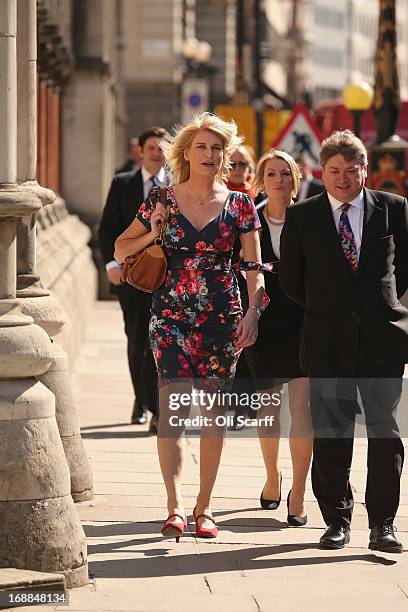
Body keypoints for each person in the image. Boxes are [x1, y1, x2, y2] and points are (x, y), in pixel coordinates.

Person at [114, 112, 266, 541]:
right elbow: (121, 246)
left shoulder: (239, 205)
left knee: (215, 415)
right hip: (171, 318)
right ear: (185, 153)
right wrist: (154, 232)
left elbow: (254, 268)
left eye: (217, 148)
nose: (210, 154)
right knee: (174, 412)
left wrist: (253, 311)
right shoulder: (161, 199)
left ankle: (205, 507)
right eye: (201, 146)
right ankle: (175, 505)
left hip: (222, 318)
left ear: (226, 155)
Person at [280, 130, 408, 551]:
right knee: (333, 433)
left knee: (385, 432)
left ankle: (383, 524)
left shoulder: (394, 209)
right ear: (323, 170)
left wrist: (377, 306)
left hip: (382, 342)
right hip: (326, 342)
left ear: (364, 171)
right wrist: (328, 308)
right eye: (333, 171)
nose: (341, 179)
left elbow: (404, 270)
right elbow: (292, 281)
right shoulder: (303, 217)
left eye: (350, 172)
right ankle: (337, 519)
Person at [244, 149, 313, 525]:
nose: (279, 180)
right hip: (264, 324)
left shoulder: (310, 218)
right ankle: (273, 476)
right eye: (271, 174)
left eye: (285, 174)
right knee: (268, 410)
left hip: (305, 324)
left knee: (302, 410)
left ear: (294, 180)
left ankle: (299, 493)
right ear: (261, 179)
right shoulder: (248, 220)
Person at [99, 126, 168, 431]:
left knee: (160, 344)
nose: (156, 152)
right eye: (151, 147)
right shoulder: (122, 183)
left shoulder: (177, 186)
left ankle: (156, 408)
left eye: (161, 147)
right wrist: (112, 264)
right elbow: (108, 228)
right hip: (131, 277)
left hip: (167, 279)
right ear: (140, 151)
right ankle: (140, 400)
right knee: (136, 341)